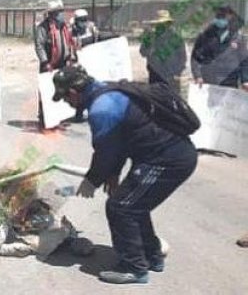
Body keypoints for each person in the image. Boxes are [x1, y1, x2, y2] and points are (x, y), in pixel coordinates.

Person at [52, 65, 197, 284]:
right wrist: (113, 175)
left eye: (65, 98)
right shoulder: (105, 91)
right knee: (133, 204)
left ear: (73, 92)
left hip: (167, 160)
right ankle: (152, 256)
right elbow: (119, 142)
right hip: (165, 156)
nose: (67, 103)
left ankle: (134, 268)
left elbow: (106, 153)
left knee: (121, 207)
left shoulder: (102, 109)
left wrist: (92, 180)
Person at [33, 0, 77, 127]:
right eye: (57, 12)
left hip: (63, 63)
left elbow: (68, 42)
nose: (59, 14)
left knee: (62, 90)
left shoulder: (63, 26)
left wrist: (70, 57)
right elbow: (39, 46)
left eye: (60, 12)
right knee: (47, 90)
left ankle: (60, 117)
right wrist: (45, 61)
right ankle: (44, 117)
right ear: (51, 13)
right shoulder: (42, 27)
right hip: (48, 64)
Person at [191, 5, 248, 90]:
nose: (220, 18)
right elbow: (195, 58)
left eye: (224, 15)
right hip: (210, 80)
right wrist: (198, 75)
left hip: (230, 80)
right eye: (219, 15)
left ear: (231, 16)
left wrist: (245, 80)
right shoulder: (205, 35)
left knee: (229, 102)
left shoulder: (238, 37)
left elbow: (244, 61)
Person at [139, 10, 187, 92]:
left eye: (165, 23)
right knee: (156, 99)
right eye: (159, 23)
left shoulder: (176, 37)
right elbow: (143, 52)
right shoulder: (151, 37)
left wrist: (178, 72)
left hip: (172, 76)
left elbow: (182, 57)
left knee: (173, 100)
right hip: (155, 75)